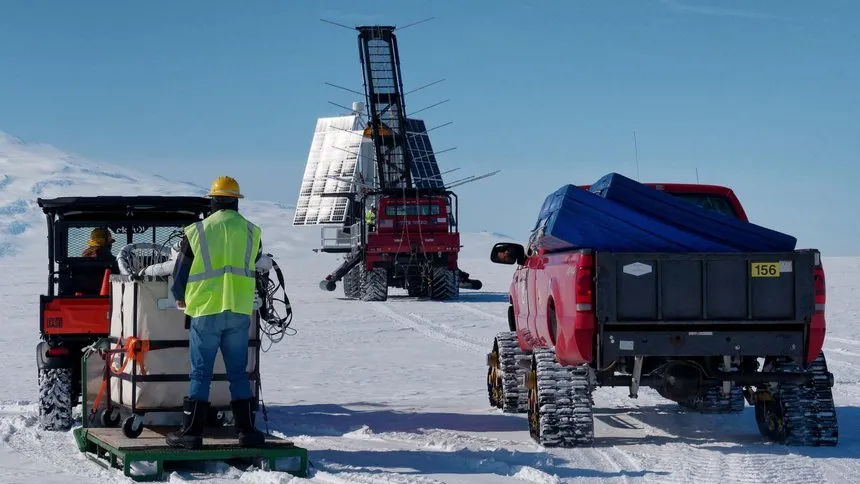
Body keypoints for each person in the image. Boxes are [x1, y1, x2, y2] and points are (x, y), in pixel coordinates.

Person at [165, 176, 266, 450]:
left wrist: (179, 297)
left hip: (206, 310)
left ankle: (191, 434)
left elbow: (180, 273)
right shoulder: (251, 231)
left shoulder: (196, 231)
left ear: (213, 201)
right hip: (238, 310)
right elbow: (255, 261)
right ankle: (246, 432)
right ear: (235, 201)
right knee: (238, 373)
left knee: (201, 373)